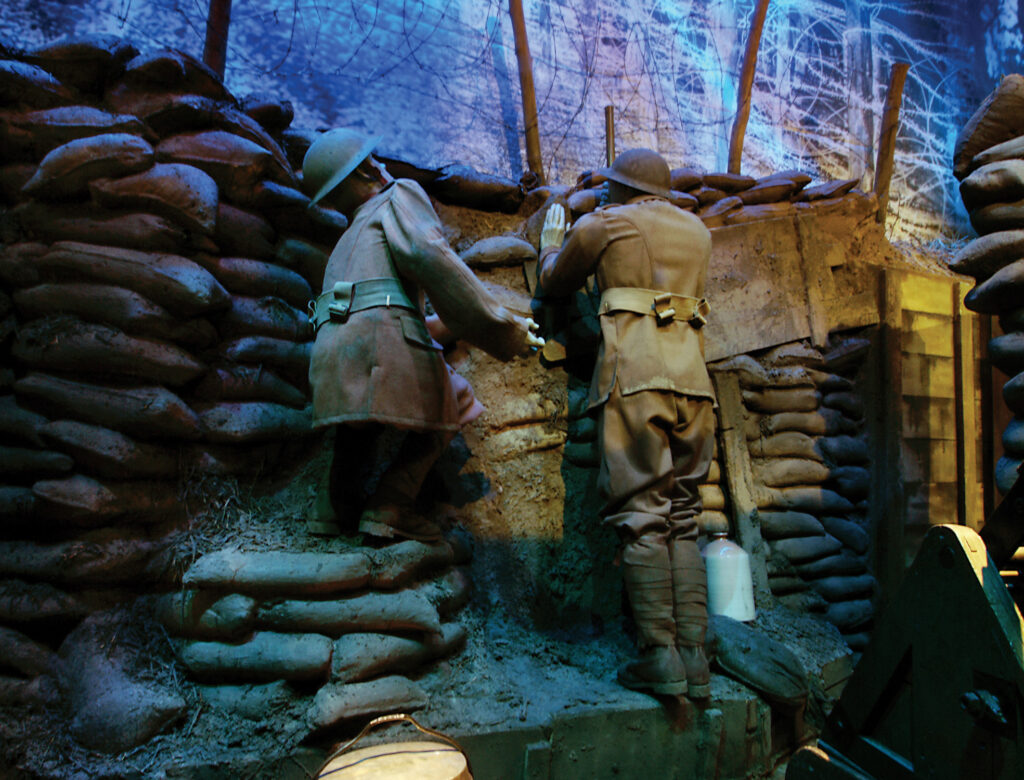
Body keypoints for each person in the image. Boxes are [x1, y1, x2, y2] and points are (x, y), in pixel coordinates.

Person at [302, 128, 543, 542]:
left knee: (358, 424)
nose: (380, 165)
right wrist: (505, 329)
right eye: (373, 160)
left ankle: (330, 510)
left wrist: (451, 327)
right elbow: (436, 262)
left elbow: (380, 310)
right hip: (379, 352)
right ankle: (390, 507)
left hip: (330, 365)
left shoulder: (345, 242)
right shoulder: (398, 198)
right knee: (458, 397)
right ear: (366, 170)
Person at [537, 148, 716, 699]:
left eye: (613, 185)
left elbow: (556, 281)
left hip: (637, 379)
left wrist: (549, 242)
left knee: (643, 516)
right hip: (694, 384)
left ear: (625, 188)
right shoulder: (698, 233)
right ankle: (695, 658)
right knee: (683, 516)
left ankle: (659, 657)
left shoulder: (609, 223)